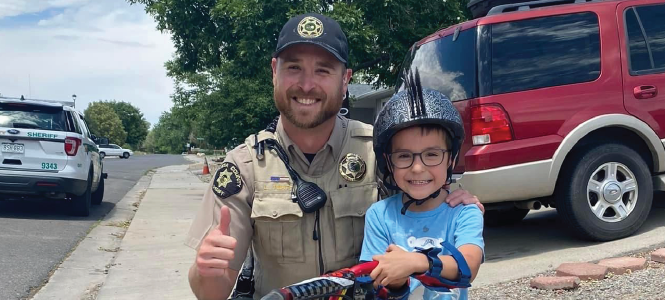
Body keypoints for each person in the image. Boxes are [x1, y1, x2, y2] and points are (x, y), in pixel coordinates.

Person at [184, 12, 483, 300]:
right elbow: (213, 293)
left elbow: (424, 190)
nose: (307, 84)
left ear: (345, 80)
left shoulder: (379, 150)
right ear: (274, 71)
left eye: (323, 70)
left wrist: (457, 199)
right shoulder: (245, 166)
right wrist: (207, 269)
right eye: (294, 68)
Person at [360, 69, 485, 299]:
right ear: (389, 161)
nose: (418, 168)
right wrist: (396, 283)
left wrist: (417, 262)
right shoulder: (379, 216)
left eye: (432, 154)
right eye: (404, 156)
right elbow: (374, 285)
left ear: (451, 158)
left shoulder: (464, 212)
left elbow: (469, 266)